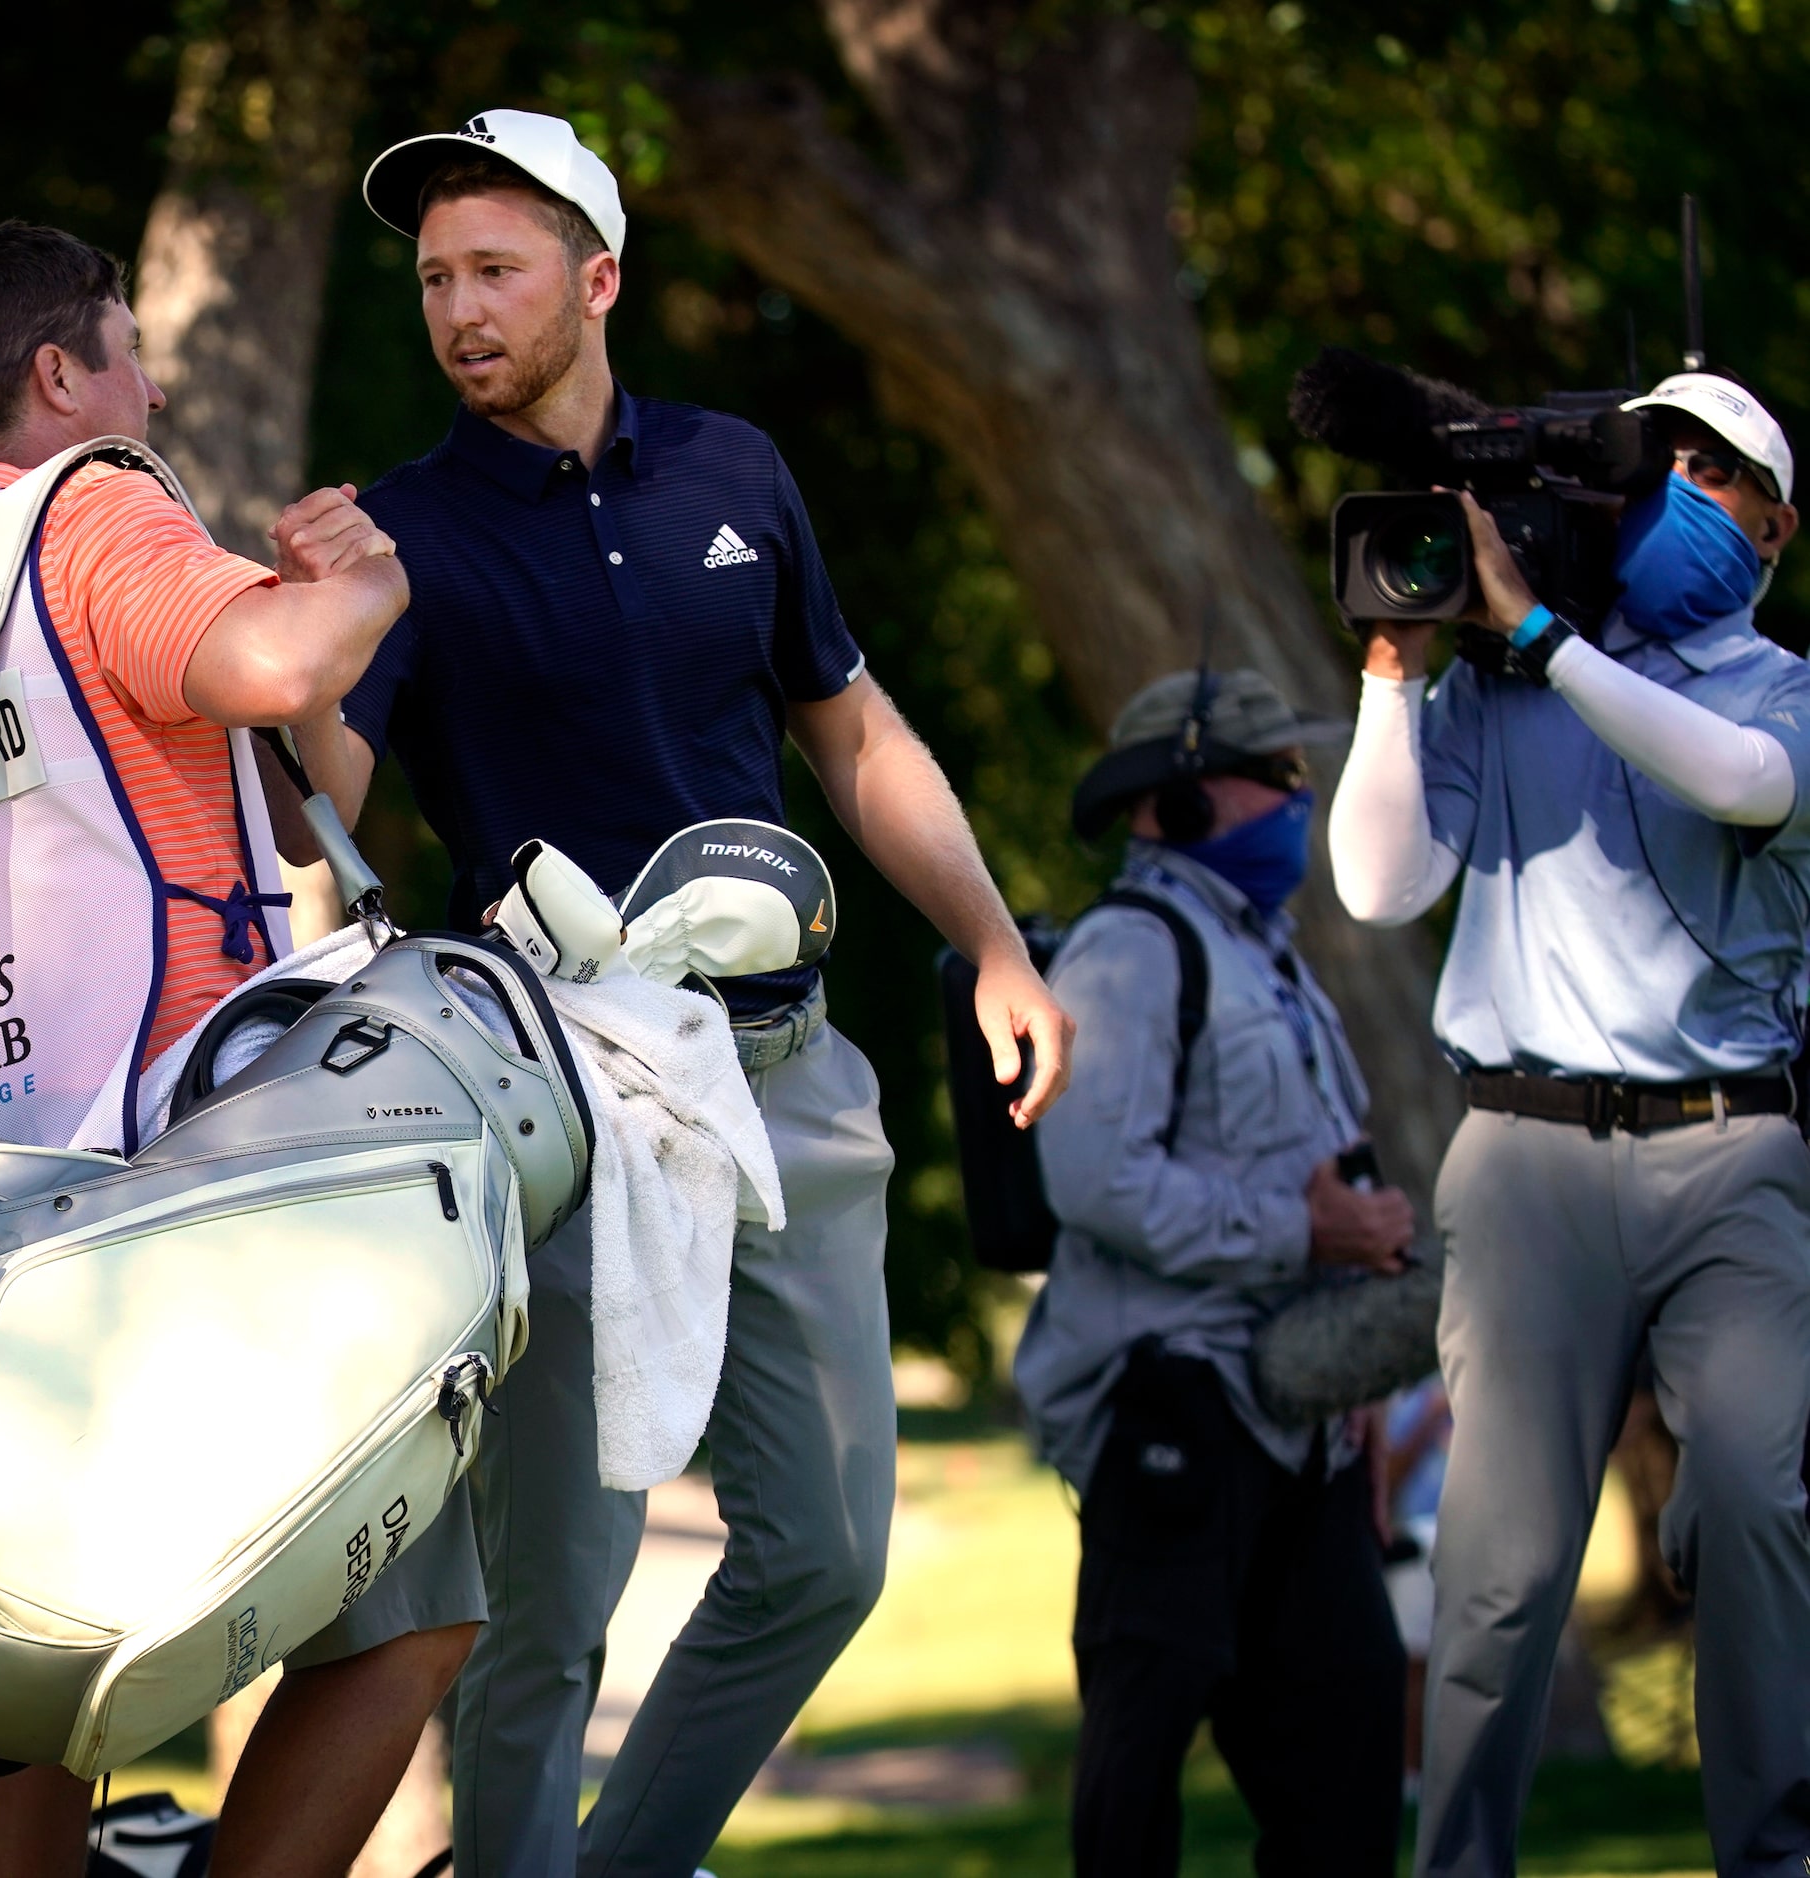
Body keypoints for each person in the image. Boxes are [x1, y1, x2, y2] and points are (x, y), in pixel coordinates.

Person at [313, 111, 1075, 1878]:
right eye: (432, 278)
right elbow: (321, 817)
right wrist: (314, 637)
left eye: (493, 270)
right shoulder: (398, 531)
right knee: (545, 1612)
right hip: (559, 1112)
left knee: (822, 1554)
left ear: (596, 277)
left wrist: (995, 944)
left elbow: (855, 732)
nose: (456, 309)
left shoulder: (735, 472)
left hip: (788, 1084)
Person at [0, 219, 465, 1878]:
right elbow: (281, 659)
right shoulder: (94, 505)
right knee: (406, 1613)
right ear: (57, 376)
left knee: (19, 1679)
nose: (149, 385)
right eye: (128, 348)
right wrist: (367, 583)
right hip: (177, 1190)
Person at [1329, 371, 1810, 1877]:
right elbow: (1376, 885)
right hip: (1526, 1157)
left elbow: (1739, 781)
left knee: (1752, 1498)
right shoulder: (1505, 680)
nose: (1669, 480)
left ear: (1774, 526)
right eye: (1650, 452)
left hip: (1731, 1149)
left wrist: (1542, 633)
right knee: (1496, 1573)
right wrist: (1397, 671)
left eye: (1708, 469)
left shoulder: (1778, 689)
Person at [1013, 670, 1410, 1877]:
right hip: (1172, 1416)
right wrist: (1308, 1235)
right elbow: (1095, 1182)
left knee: (1347, 1768)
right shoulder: (1127, 956)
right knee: (1138, 1768)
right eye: (1274, 774)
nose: (1299, 796)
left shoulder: (1271, 960)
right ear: (1180, 803)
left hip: (1302, 1431)